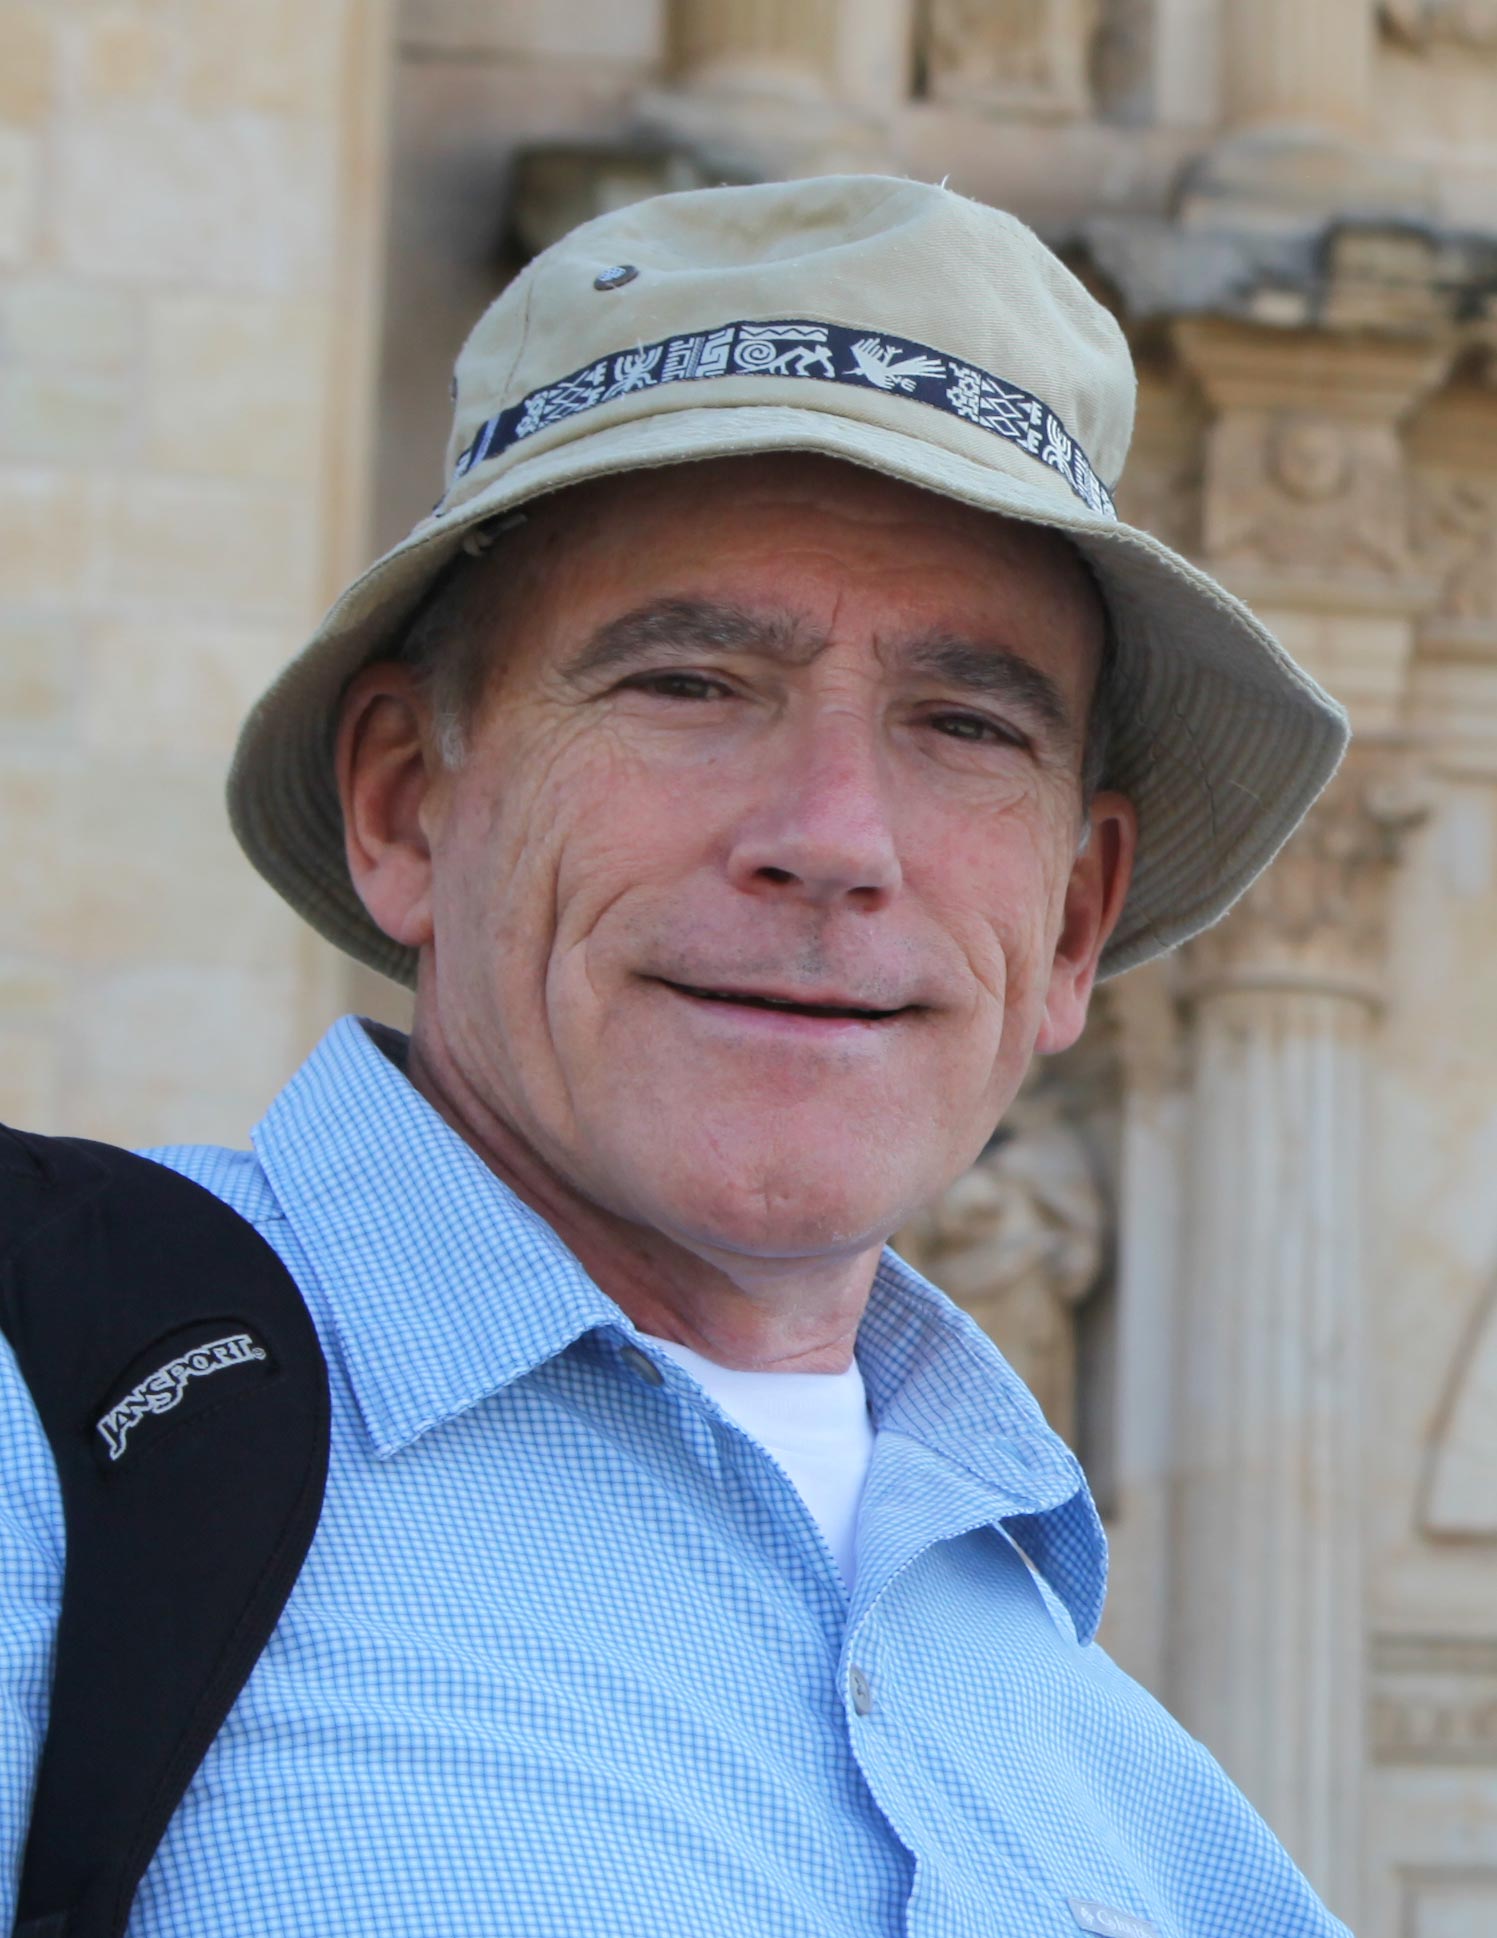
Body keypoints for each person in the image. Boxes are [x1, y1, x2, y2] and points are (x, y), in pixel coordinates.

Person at [1, 175, 1353, 1936]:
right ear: (407, 803)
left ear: (1074, 921)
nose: (834, 836)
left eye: (963, 722)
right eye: (690, 683)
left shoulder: (1165, 1836)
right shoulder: (44, 1436)